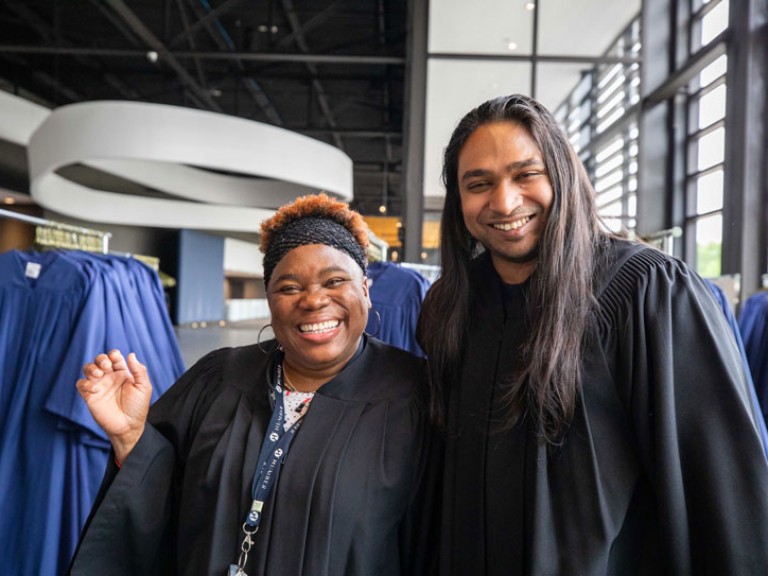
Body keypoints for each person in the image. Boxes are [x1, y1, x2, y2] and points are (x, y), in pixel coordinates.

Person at [417, 93, 768, 575]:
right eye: (479, 184)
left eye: (526, 174)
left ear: (562, 174)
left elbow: (724, 492)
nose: (504, 201)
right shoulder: (451, 307)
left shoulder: (646, 293)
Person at [68, 193, 432, 576]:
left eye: (335, 280)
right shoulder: (219, 377)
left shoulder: (414, 396)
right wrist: (131, 436)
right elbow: (161, 505)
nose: (313, 300)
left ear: (365, 289)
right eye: (289, 287)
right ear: (270, 301)